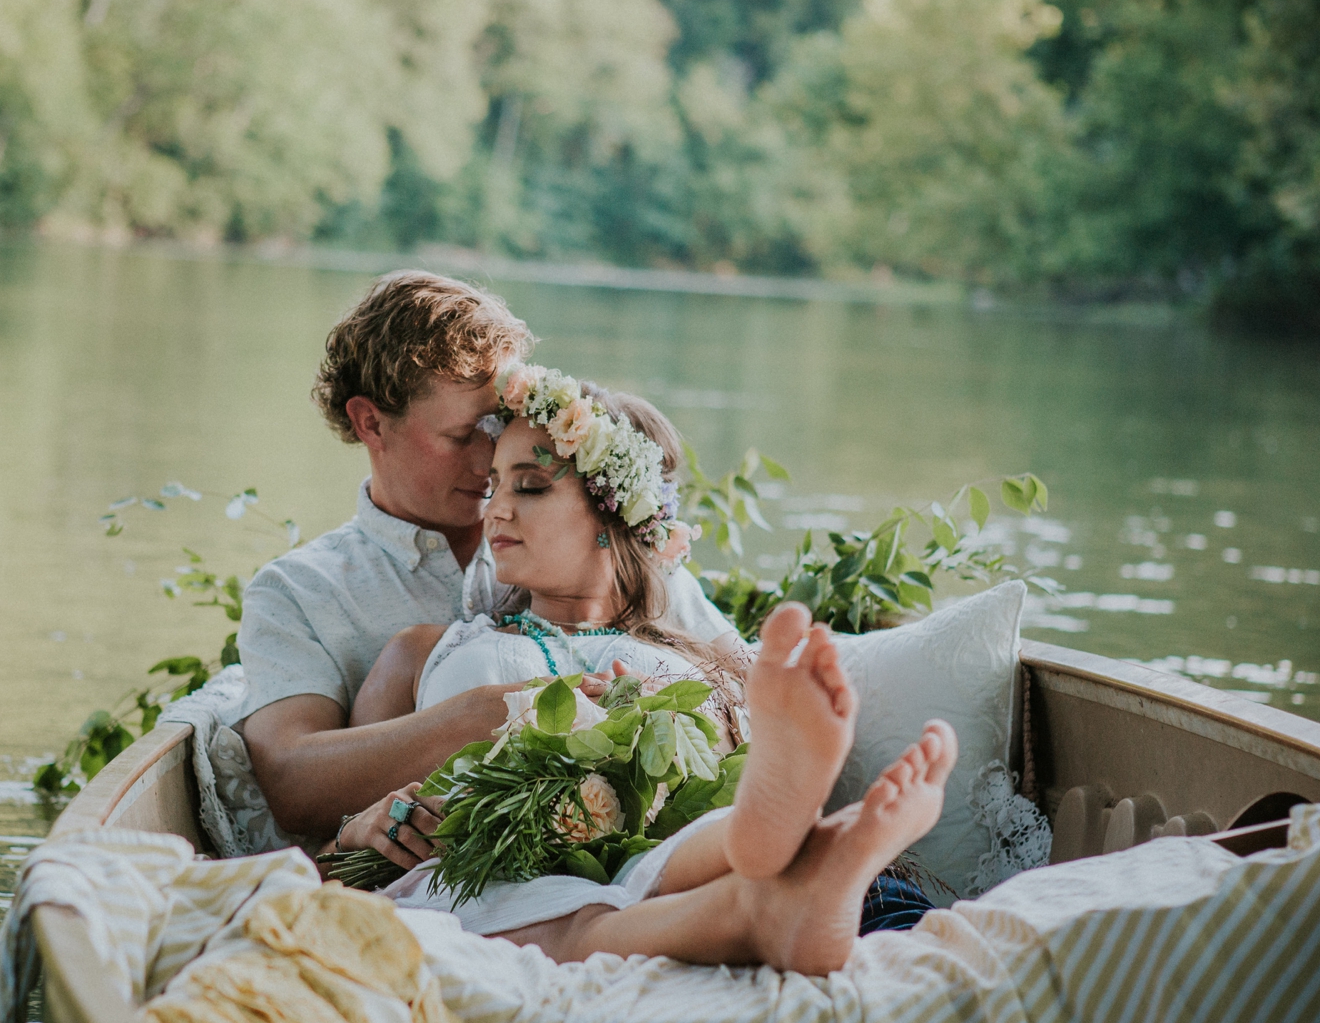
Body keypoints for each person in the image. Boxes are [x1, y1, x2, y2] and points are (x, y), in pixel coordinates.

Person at [327, 368, 953, 974]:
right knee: (575, 917)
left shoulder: (687, 659)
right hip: (481, 872)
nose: (495, 511)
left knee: (681, 850)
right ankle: (783, 888)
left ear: (611, 517)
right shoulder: (423, 651)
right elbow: (326, 850)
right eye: (495, 485)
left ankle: (776, 846)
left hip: (658, 861)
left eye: (531, 486)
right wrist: (363, 828)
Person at [236, 272, 739, 840]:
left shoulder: (583, 544)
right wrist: (477, 716)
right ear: (370, 422)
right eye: (463, 434)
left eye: (499, 427)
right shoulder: (301, 590)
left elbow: (741, 684)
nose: (488, 458)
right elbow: (292, 786)